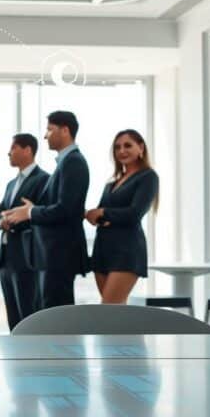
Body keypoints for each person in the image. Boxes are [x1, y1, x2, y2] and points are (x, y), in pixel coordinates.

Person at [3, 110, 90, 310]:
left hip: (59, 255)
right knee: (50, 313)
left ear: (65, 130)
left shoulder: (73, 162)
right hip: (52, 255)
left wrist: (31, 212)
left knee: (56, 317)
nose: (45, 136)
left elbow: (66, 209)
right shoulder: (65, 162)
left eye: (50, 130)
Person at [86, 129, 159, 304]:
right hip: (103, 248)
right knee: (114, 312)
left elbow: (135, 213)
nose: (122, 151)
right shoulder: (111, 184)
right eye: (117, 147)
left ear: (140, 147)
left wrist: (103, 213)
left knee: (109, 309)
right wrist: (94, 214)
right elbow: (100, 215)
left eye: (128, 145)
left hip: (126, 250)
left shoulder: (148, 177)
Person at [0, 134, 49, 330]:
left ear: (27, 150)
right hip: (7, 259)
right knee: (12, 315)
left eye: (13, 148)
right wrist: (1, 222)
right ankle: (15, 356)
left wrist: (16, 218)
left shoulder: (44, 179)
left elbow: (42, 215)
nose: (8, 153)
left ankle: (31, 357)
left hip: (27, 257)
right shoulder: (11, 184)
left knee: (28, 314)